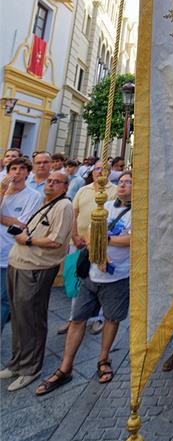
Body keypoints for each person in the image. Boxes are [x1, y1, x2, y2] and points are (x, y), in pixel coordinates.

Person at [36, 171, 132, 394]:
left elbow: (132, 239)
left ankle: (103, 358)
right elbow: (90, 229)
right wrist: (97, 250)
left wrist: (105, 240)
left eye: (129, 182)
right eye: (122, 182)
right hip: (91, 273)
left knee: (111, 318)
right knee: (77, 319)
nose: (123, 185)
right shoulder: (106, 204)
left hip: (117, 276)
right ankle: (65, 366)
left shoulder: (138, 212)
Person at [0, 171, 72, 391]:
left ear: (65, 187)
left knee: (31, 317)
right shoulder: (44, 201)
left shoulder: (64, 206)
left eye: (56, 182)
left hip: (36, 269)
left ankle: (31, 368)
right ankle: (17, 362)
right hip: (19, 264)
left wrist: (28, 239)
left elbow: (56, 240)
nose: (50, 184)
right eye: (49, 181)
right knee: (18, 316)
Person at [57, 160, 117, 335]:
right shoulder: (83, 190)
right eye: (97, 169)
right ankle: (74, 317)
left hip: (99, 244)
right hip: (78, 241)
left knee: (99, 280)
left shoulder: (113, 191)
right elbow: (74, 214)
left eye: (104, 169)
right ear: (92, 172)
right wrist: (74, 235)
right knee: (77, 279)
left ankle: (98, 317)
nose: (99, 172)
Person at [0, 158, 42, 329]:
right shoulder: (2, 191)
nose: (17, 172)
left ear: (28, 173)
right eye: (13, 168)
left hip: (9, 254)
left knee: (3, 299)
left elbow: (23, 225)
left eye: (22, 168)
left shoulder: (33, 196)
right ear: (7, 172)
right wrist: (2, 191)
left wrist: (4, 219)